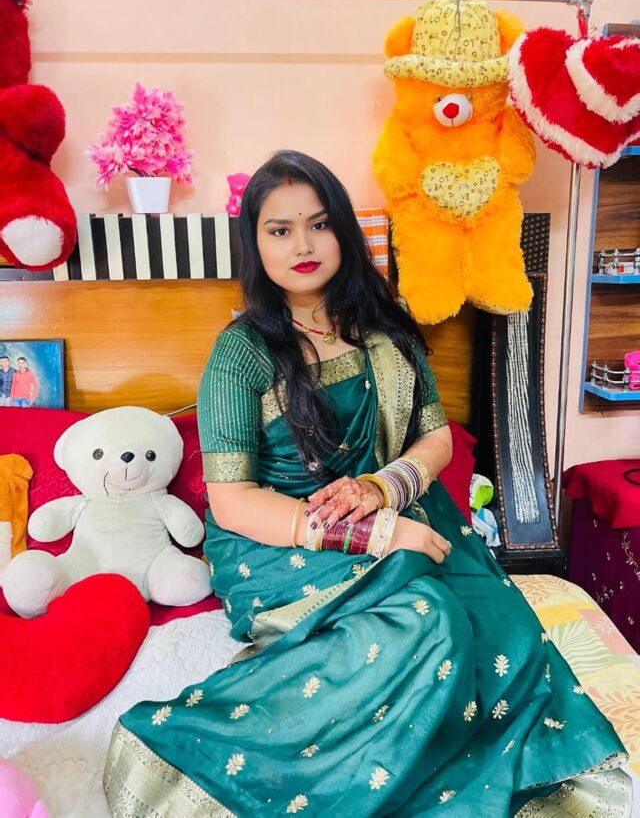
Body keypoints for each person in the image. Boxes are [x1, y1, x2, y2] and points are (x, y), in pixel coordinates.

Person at [104, 151, 629, 816]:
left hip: (397, 504)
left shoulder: (385, 326)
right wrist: (374, 533)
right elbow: (232, 502)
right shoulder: (242, 352)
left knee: (503, 624)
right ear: (255, 244)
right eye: (280, 230)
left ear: (343, 231)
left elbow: (436, 437)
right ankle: (192, 761)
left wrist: (385, 488)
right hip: (278, 539)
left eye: (319, 224)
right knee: (429, 621)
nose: (302, 245)